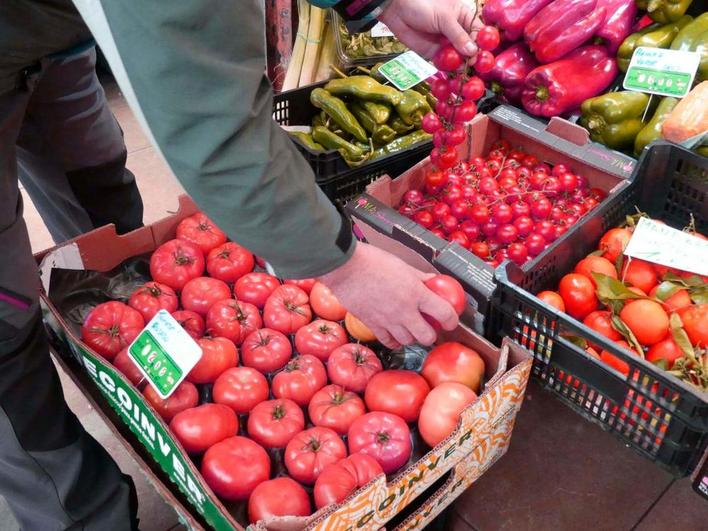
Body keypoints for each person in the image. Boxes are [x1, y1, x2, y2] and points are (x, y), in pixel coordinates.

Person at [0, 0, 479, 528]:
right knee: (6, 334)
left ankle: (111, 320)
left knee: (98, 190)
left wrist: (376, 4)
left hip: (55, 31)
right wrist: (344, 267)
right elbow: (213, 124)